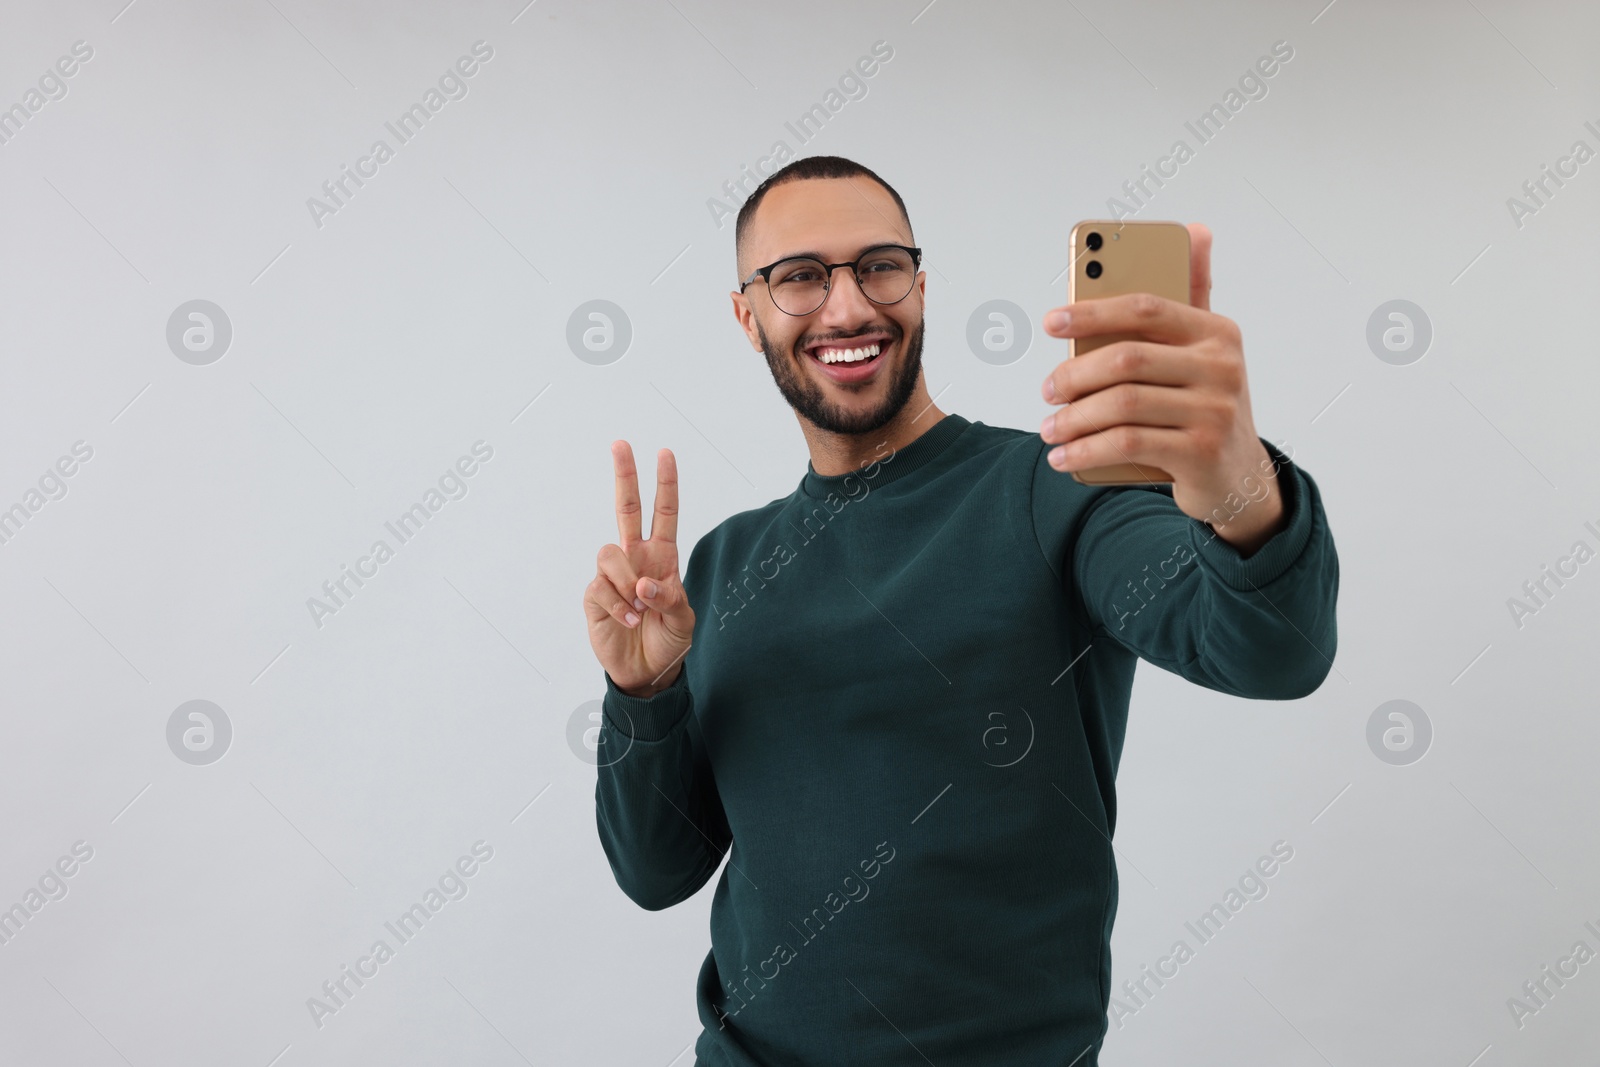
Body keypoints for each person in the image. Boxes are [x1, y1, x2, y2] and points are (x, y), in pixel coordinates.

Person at [583, 155, 1338, 1066]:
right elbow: (656, 871)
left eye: (880, 266)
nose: (849, 307)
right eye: (800, 278)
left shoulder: (1055, 492)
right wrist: (644, 693)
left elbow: (1273, 650)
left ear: (922, 286)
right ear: (748, 316)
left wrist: (1242, 490)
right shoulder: (720, 563)